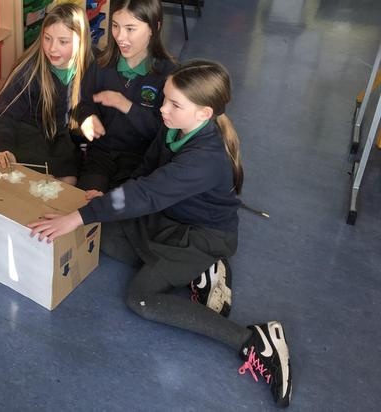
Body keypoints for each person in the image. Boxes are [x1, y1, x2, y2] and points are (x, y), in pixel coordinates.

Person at [28, 60, 292, 407]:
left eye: (174, 104)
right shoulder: (173, 129)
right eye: (164, 98)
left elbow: (146, 193)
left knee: (140, 297)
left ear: (204, 113)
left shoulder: (205, 159)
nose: (162, 109)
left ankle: (254, 340)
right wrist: (106, 198)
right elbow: (144, 176)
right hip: (170, 218)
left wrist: (78, 216)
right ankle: (201, 272)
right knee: (103, 235)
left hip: (203, 237)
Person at [75, 0, 176, 193]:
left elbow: (164, 131)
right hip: (101, 156)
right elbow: (83, 104)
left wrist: (126, 105)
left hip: (142, 163)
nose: (120, 36)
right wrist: (87, 118)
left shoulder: (169, 75)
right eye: (115, 26)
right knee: (85, 202)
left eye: (130, 29)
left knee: (119, 206)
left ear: (154, 28)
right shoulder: (101, 65)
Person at [0, 2, 93, 185]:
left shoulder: (93, 68)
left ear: (81, 42)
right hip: (29, 137)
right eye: (47, 38)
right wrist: (3, 148)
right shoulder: (29, 72)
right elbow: (1, 115)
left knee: (71, 180)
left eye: (63, 41)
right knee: (46, 184)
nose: (52, 48)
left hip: (62, 140)